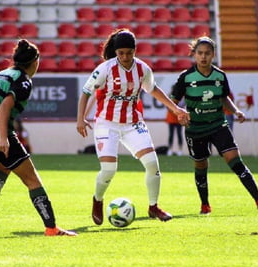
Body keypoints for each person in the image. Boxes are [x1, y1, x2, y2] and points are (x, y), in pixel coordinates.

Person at [76, 29, 190, 225]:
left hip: (133, 124)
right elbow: (86, 92)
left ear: (135, 50)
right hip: (106, 124)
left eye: (129, 52)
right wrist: (80, 119)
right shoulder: (105, 68)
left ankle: (154, 207)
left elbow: (153, 89)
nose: (125, 57)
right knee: (109, 170)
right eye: (121, 53)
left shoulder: (143, 69)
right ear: (116, 52)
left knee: (152, 164)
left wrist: (176, 109)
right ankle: (98, 199)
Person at [0, 39, 76, 236]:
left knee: (5, 167)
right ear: (35, 61)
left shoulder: (2, 74)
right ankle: (51, 228)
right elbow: (4, 107)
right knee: (32, 179)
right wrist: (2, 137)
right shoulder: (23, 80)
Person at [171, 36, 258, 215]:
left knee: (236, 162)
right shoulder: (185, 77)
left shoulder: (220, 76)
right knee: (201, 166)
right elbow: (173, 101)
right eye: (200, 53)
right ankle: (205, 204)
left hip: (218, 125)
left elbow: (224, 98)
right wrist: (179, 113)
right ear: (194, 55)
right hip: (195, 129)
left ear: (213, 55)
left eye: (207, 53)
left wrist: (236, 111)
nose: (203, 57)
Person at [166, 90, 185, 156]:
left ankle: (180, 150)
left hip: (179, 118)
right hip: (171, 118)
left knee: (179, 134)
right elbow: (168, 106)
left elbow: (182, 105)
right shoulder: (169, 96)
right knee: (171, 134)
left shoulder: (182, 97)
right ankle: (170, 149)